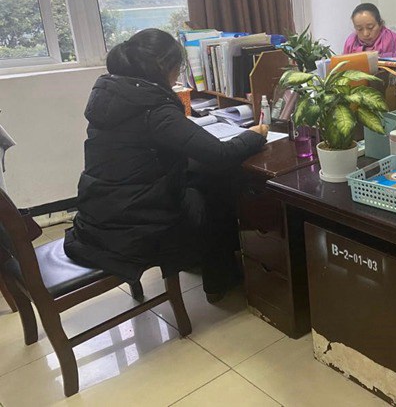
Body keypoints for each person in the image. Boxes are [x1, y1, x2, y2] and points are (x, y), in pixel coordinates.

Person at [64, 28, 269, 303]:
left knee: (199, 177)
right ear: (164, 68)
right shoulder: (153, 107)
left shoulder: (111, 94)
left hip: (98, 217)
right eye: (178, 69)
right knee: (214, 190)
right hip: (134, 230)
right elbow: (220, 154)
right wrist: (255, 134)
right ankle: (219, 279)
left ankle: (207, 267)